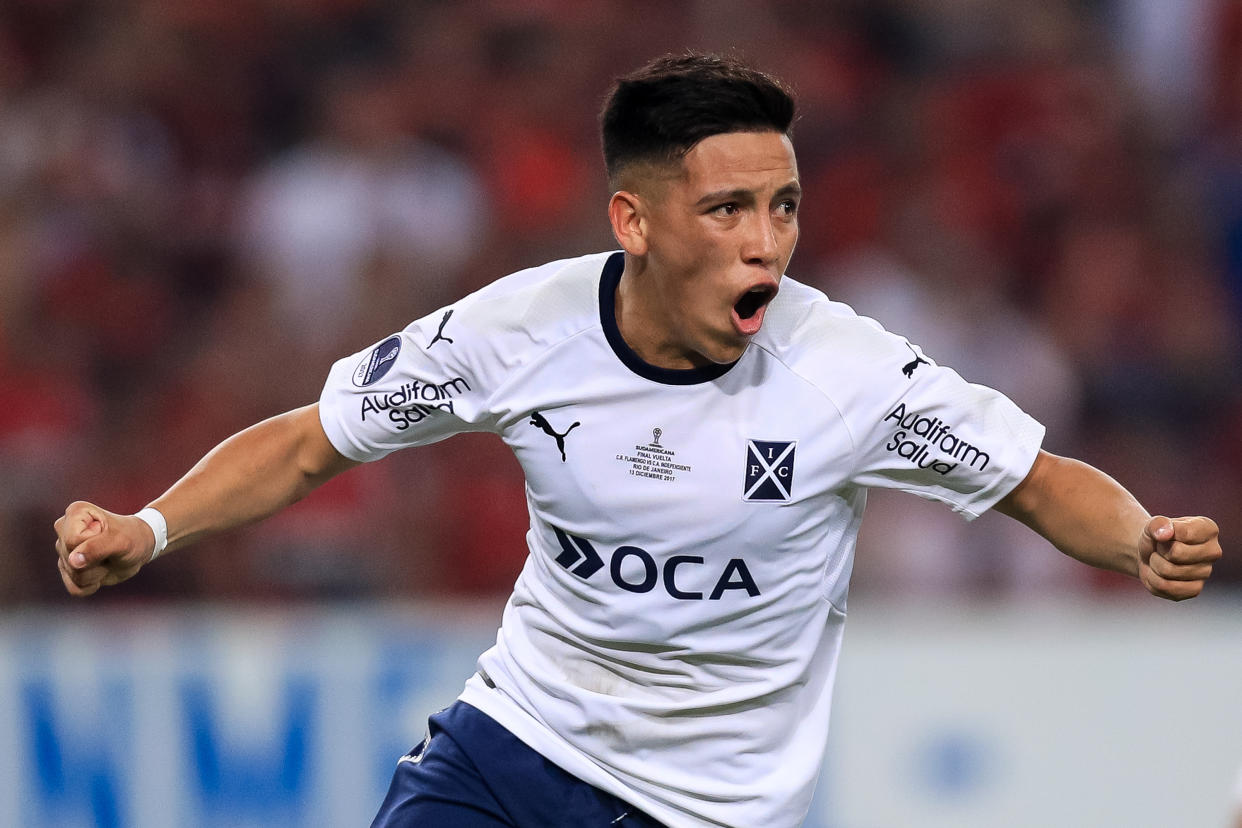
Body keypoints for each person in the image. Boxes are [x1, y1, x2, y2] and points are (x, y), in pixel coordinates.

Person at [54, 53, 1222, 828]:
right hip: (511, 749)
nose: (768, 244)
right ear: (635, 221)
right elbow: (315, 443)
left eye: (785, 206)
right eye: (727, 210)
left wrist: (1139, 540)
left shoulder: (846, 373)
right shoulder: (517, 332)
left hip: (705, 809)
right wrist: (150, 527)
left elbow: (1035, 482)